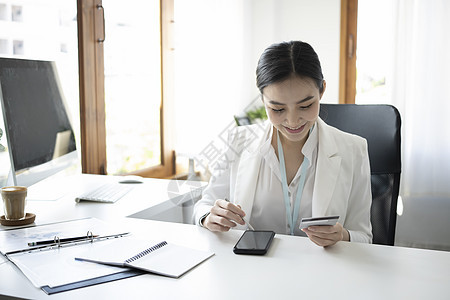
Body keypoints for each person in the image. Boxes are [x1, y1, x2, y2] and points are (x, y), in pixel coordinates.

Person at [193, 41, 372, 246]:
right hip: (253, 269)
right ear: (263, 100)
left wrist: (342, 236)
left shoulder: (354, 150)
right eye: (278, 109)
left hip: (322, 272)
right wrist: (209, 217)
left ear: (322, 90)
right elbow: (204, 205)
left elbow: (364, 237)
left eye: (305, 105)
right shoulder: (238, 141)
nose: (293, 121)